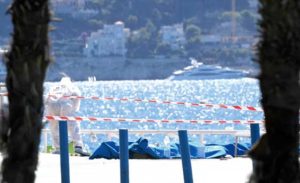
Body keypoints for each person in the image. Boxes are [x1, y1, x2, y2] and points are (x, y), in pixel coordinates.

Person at [45, 76, 90, 156]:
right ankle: (78, 146)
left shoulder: (55, 87)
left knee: (54, 127)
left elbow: (47, 98)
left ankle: (58, 148)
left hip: (51, 104)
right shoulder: (72, 87)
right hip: (65, 104)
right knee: (73, 125)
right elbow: (76, 98)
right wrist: (74, 109)